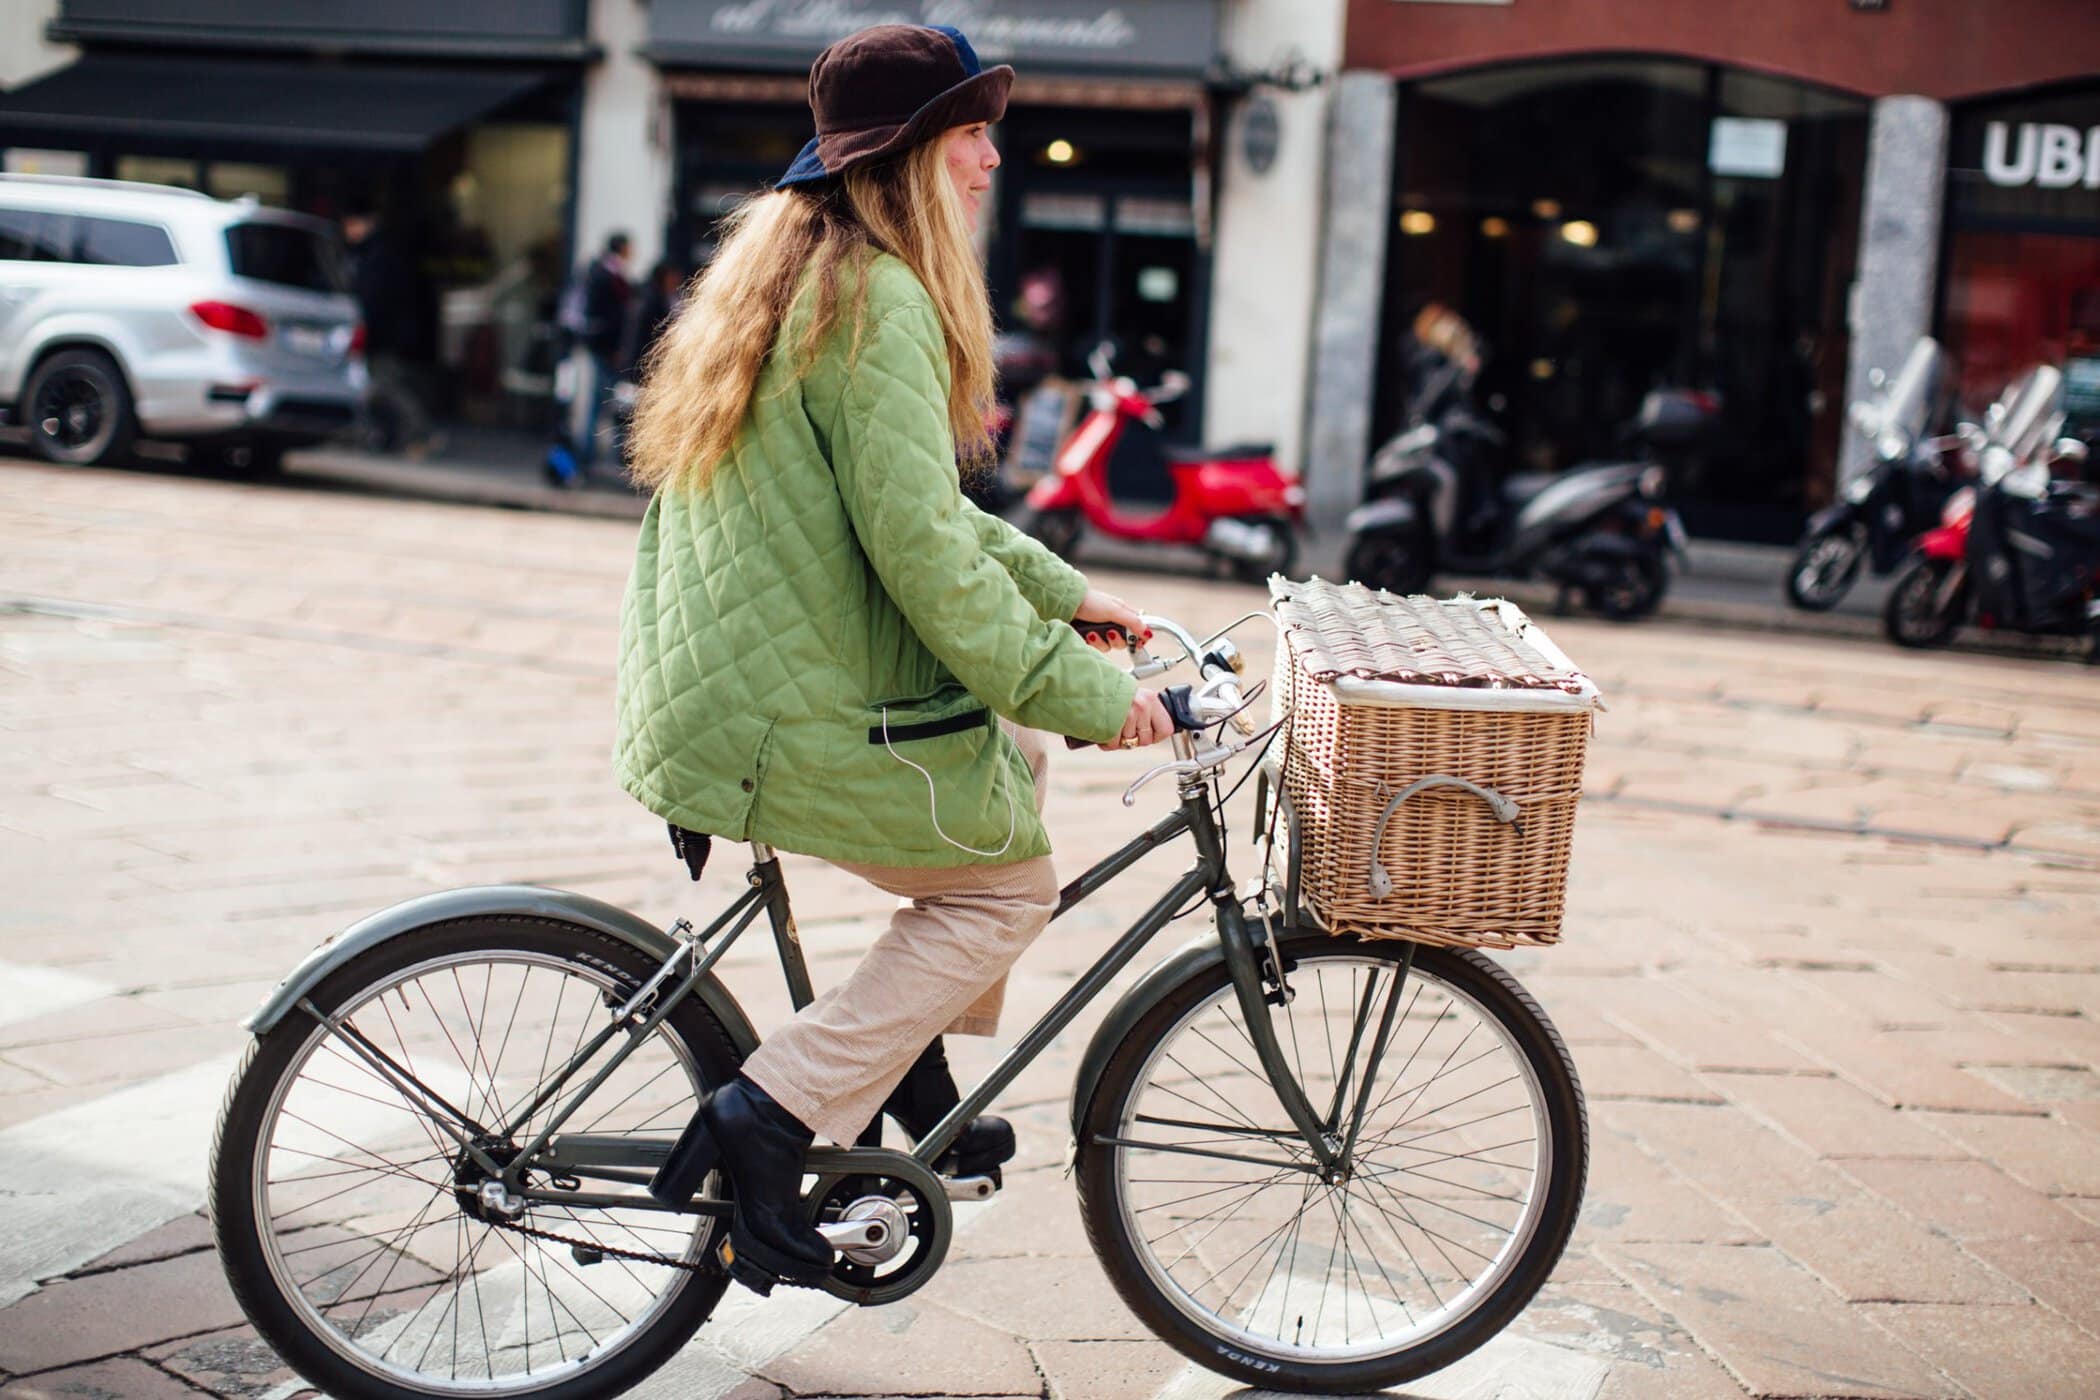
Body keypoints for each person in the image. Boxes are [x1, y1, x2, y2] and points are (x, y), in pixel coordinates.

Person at [614, 22, 1174, 1296]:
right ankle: (769, 1112)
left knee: (1010, 753)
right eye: (970, 134)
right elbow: (924, 560)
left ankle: (902, 1062)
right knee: (1004, 891)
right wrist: (1101, 698)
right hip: (778, 709)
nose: (990, 159)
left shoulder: (807, 269)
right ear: (914, 158)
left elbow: (920, 512)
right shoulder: (880, 300)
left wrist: (1071, 594)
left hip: (727, 689)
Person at [342, 208, 435, 455]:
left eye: (354, 223)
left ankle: (418, 432)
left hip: (382, 336)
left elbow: (376, 301)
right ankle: (389, 435)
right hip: (379, 335)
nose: (349, 231)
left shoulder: (377, 256)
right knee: (380, 387)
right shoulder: (368, 253)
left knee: (385, 387)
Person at [574, 231, 633, 474]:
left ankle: (594, 453)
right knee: (604, 401)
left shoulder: (607, 273)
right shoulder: (605, 275)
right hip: (605, 348)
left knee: (606, 401)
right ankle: (589, 454)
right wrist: (615, 347)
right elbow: (610, 315)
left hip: (605, 347)